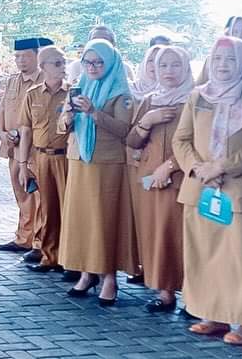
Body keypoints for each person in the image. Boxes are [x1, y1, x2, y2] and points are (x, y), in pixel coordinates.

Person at [173, 36, 242, 345]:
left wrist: (222, 166)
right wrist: (199, 168)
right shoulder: (198, 96)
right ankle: (211, 314)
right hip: (201, 188)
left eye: (230, 59)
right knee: (205, 256)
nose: (223, 65)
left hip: (241, 190)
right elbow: (181, 140)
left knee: (240, 259)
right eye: (217, 59)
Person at [58, 39, 138, 306]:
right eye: (87, 62)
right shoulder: (79, 86)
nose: (92, 67)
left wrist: (94, 112)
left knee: (104, 221)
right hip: (79, 161)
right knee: (82, 219)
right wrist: (68, 115)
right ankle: (85, 272)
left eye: (98, 62)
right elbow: (62, 126)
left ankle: (109, 277)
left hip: (107, 166)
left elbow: (124, 131)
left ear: (110, 62)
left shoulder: (120, 92)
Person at [125, 45, 193, 313]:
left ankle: (193, 295)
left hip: (181, 178)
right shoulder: (150, 100)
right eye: (163, 65)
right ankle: (164, 292)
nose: (168, 71)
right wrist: (148, 121)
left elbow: (202, 142)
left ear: (186, 68)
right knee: (156, 236)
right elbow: (132, 140)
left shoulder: (196, 100)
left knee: (181, 237)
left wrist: (172, 166)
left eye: (175, 65)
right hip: (149, 180)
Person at [14, 45, 70, 273]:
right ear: (43, 66)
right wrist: (22, 164)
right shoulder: (33, 94)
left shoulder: (72, 93)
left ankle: (70, 259)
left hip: (65, 158)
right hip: (41, 158)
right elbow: (25, 130)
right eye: (56, 63)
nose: (62, 67)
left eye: (64, 62)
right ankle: (49, 256)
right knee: (46, 208)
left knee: (68, 208)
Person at [0, 37, 44, 259]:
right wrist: (3, 134)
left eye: (25, 56)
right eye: (17, 57)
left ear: (37, 56)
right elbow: (2, 110)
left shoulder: (45, 80)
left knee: (37, 195)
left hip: (34, 150)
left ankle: (39, 242)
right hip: (13, 148)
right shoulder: (13, 81)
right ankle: (23, 238)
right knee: (21, 193)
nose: (20, 61)